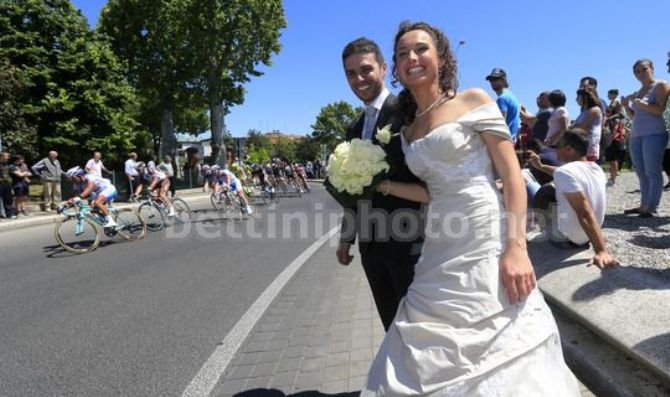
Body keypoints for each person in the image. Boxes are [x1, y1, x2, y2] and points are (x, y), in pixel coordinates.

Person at [361, 21, 579, 396]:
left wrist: (516, 247)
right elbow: (431, 193)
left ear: (442, 57)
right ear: (395, 68)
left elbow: (512, 175)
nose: (411, 57)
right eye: (402, 53)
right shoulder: (408, 130)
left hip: (484, 231)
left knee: (503, 340)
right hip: (439, 242)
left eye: (421, 49)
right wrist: (379, 184)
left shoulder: (473, 100)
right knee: (422, 332)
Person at [337, 37, 424, 331]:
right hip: (371, 248)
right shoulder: (353, 127)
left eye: (365, 70)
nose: (358, 79)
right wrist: (346, 238)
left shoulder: (407, 112)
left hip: (408, 242)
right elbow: (352, 189)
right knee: (391, 326)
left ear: (384, 68)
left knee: (417, 327)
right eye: (351, 73)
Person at [529, 129, 618, 261]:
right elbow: (559, 171)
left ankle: (543, 231)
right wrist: (541, 166)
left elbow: (584, 213)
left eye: (557, 146)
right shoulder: (596, 168)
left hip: (568, 241)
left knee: (544, 191)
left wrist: (601, 250)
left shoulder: (565, 172)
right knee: (557, 191)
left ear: (569, 149)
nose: (554, 150)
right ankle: (590, 234)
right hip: (587, 236)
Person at [622, 59, 670, 217]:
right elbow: (632, 116)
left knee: (652, 170)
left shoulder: (661, 85)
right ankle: (643, 205)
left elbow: (660, 110)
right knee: (641, 172)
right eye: (637, 71)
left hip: (654, 133)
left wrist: (642, 104)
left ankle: (652, 207)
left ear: (652, 68)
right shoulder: (638, 92)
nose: (641, 74)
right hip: (637, 134)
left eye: (644, 69)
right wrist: (625, 105)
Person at [486, 67, 521, 142]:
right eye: (491, 80)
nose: (492, 82)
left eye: (495, 79)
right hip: (511, 139)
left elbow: (501, 123)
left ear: (503, 80)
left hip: (505, 140)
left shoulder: (502, 99)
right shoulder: (510, 95)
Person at [603, 89, 627, 186]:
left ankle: (614, 175)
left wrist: (606, 114)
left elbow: (610, 110)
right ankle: (613, 175)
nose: (608, 96)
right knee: (612, 158)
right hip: (616, 123)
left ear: (613, 94)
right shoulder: (616, 103)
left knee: (612, 157)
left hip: (616, 123)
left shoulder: (614, 102)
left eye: (609, 94)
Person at [573, 87, 603, 161]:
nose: (576, 99)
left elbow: (582, 127)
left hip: (589, 145)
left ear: (585, 97)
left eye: (578, 97)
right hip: (581, 144)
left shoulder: (595, 110)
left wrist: (571, 128)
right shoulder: (584, 112)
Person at [0, 152, 17, 219]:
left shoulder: (8, 165)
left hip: (7, 184)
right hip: (0, 184)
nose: (7, 158)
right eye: (6, 156)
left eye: (8, 156)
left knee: (8, 200)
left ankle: (9, 214)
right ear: (1, 157)